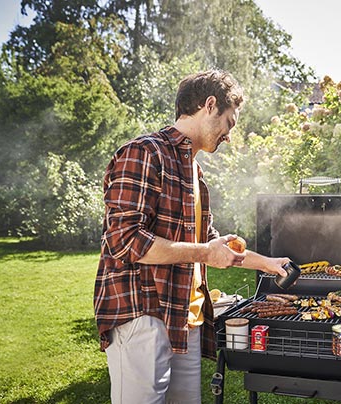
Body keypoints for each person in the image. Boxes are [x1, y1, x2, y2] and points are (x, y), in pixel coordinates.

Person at [93, 69, 289, 404]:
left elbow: (209, 241)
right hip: (145, 312)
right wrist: (204, 252)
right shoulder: (144, 152)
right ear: (209, 105)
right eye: (229, 122)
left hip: (187, 316)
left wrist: (269, 263)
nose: (229, 135)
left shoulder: (194, 171)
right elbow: (124, 241)